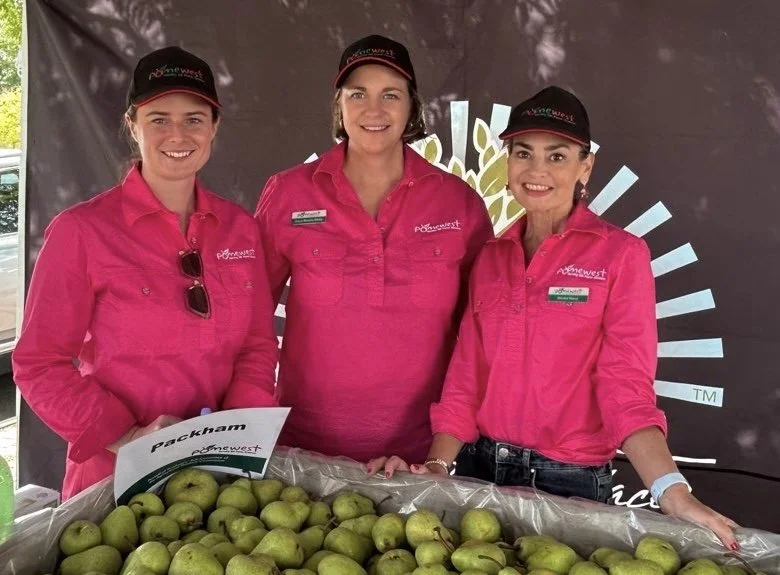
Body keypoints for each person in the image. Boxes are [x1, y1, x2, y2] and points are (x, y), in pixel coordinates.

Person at [368, 86, 739, 549]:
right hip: (481, 472)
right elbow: (465, 379)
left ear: (586, 167)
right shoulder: (490, 257)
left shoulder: (621, 255)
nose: (537, 170)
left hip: (573, 482)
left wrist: (673, 493)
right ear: (508, 163)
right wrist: (439, 467)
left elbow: (626, 386)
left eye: (557, 156)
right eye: (523, 153)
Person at [13, 46, 278, 499]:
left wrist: (233, 439)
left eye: (194, 118)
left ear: (215, 127)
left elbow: (256, 346)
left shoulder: (240, 230)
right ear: (133, 125)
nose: (178, 133)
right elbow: (39, 364)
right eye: (159, 119)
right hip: (113, 478)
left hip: (217, 478)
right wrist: (128, 438)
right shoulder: (81, 231)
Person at [255, 34, 493, 465]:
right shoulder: (288, 193)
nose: (373, 110)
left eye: (391, 95)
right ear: (339, 105)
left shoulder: (459, 204)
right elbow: (248, 319)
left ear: (411, 107)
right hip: (301, 451)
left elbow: (478, 342)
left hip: (421, 458)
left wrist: (440, 457)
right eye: (358, 94)